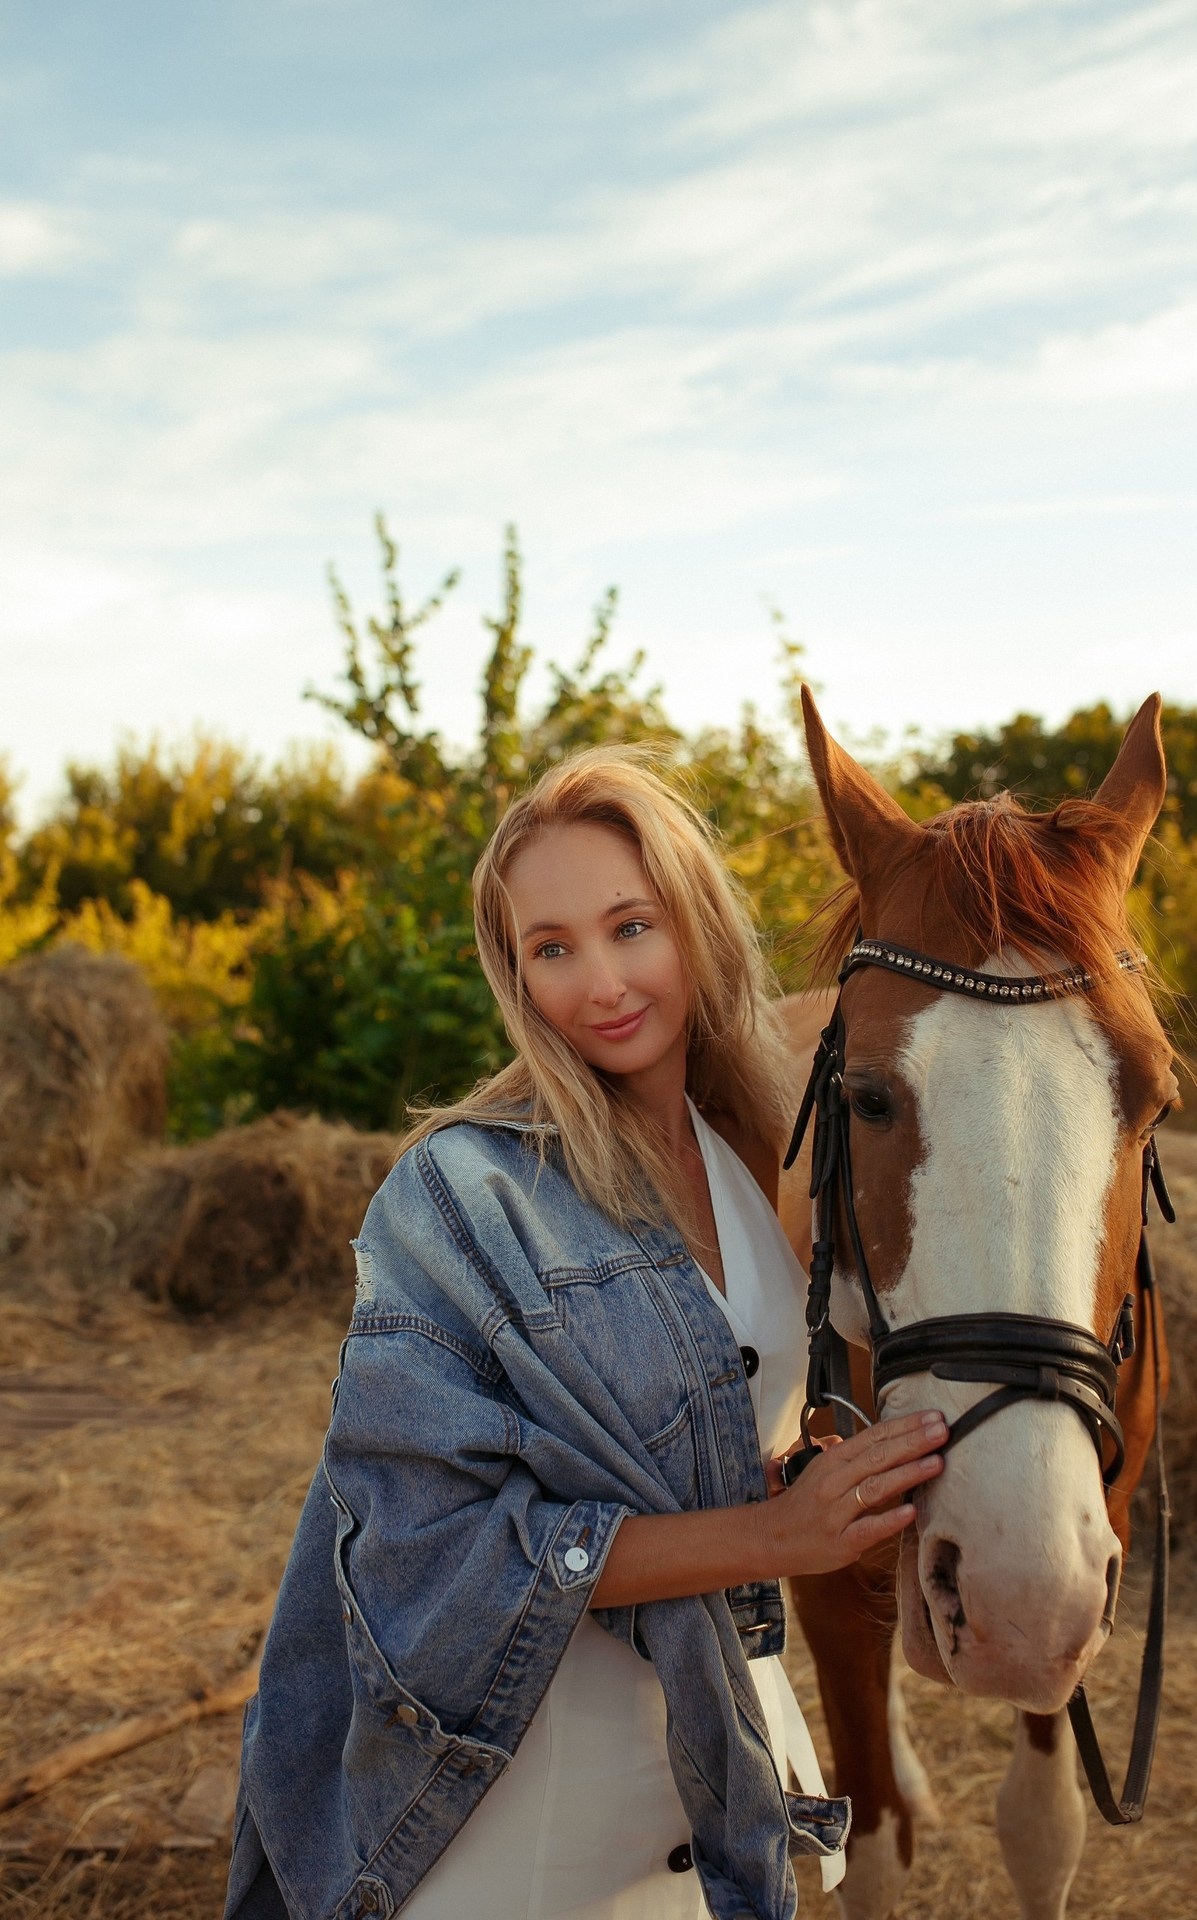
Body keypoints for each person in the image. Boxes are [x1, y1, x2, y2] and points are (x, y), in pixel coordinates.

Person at [225, 748, 946, 1920]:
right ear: (510, 975)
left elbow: (671, 1438)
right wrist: (772, 1532)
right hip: (534, 1812)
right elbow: (435, 1546)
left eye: (629, 926)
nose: (600, 982)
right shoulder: (461, 1194)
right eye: (549, 949)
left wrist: (802, 1481)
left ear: (694, 923)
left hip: (723, 1783)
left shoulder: (750, 1149)